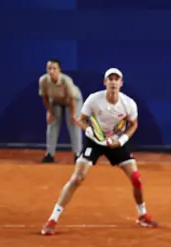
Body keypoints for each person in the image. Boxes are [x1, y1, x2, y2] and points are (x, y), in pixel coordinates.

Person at [41, 68, 158, 235]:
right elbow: (80, 120)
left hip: (116, 141)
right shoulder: (94, 99)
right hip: (95, 141)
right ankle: (52, 219)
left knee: (136, 178)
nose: (113, 82)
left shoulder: (129, 104)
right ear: (105, 82)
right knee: (77, 178)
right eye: (110, 79)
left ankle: (142, 215)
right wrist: (90, 131)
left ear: (121, 83)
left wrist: (122, 140)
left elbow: (133, 124)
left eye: (116, 79)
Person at [38, 59, 83, 163]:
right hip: (55, 101)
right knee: (52, 124)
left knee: (73, 125)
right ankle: (50, 154)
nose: (51, 71)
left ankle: (78, 154)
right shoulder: (43, 80)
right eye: (49, 68)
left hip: (73, 100)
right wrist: (50, 112)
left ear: (59, 70)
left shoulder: (66, 80)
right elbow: (45, 97)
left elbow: (72, 99)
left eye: (54, 68)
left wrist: (73, 115)